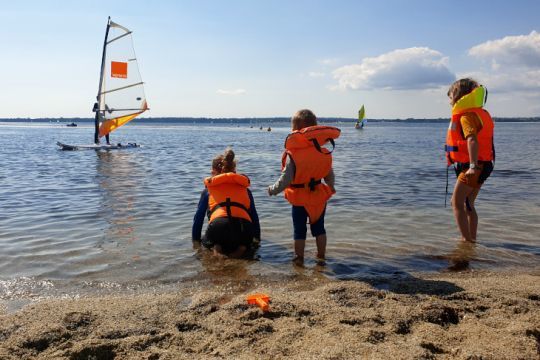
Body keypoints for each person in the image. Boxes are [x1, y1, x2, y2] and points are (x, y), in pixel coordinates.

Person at [268, 109, 340, 265]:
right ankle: (321, 256)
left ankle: (299, 259)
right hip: (319, 197)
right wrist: (331, 186)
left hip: (300, 198)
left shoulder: (293, 153)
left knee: (299, 231)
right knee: (319, 228)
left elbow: (286, 179)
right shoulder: (323, 151)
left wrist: (273, 189)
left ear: (296, 130)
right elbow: (329, 173)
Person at [445, 78, 495, 242]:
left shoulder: (467, 116)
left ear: (459, 95)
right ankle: (472, 239)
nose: (449, 99)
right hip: (485, 164)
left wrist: (472, 166)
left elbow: (472, 139)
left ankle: (466, 241)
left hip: (474, 165)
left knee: (456, 202)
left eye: (451, 95)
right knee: (468, 203)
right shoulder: (479, 114)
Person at [192, 148, 261, 258]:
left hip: (218, 226)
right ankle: (241, 249)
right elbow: (254, 217)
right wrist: (256, 240)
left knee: (213, 241)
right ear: (234, 171)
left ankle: (217, 249)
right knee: (244, 243)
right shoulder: (245, 190)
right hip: (243, 227)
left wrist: (195, 241)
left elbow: (198, 219)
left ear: (213, 173)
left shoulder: (208, 191)